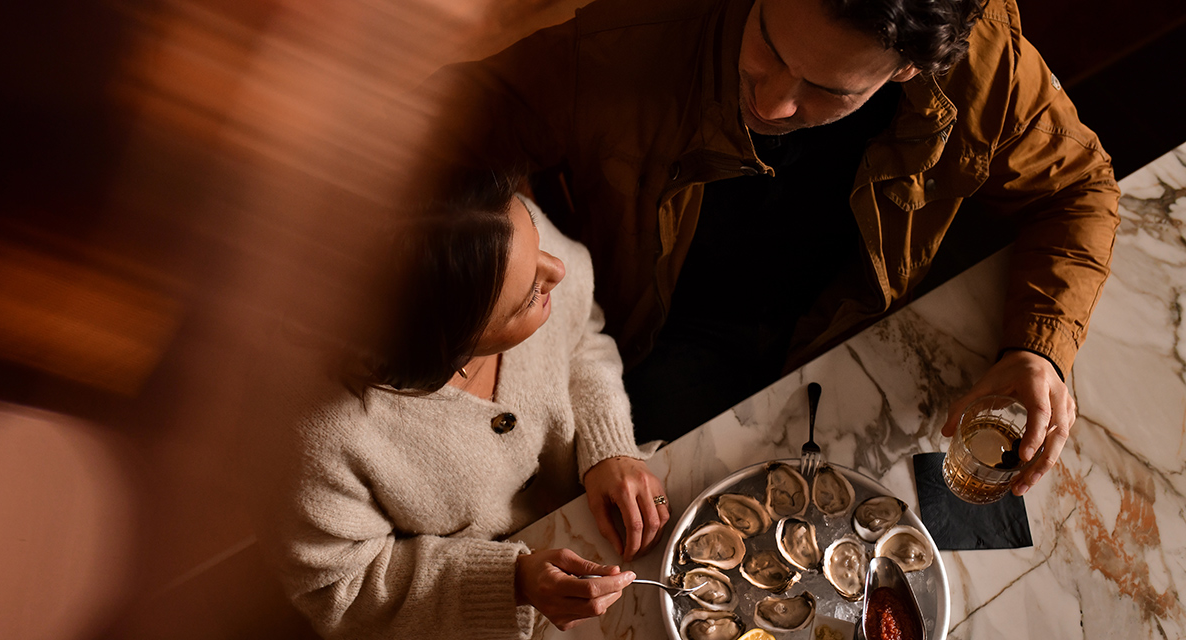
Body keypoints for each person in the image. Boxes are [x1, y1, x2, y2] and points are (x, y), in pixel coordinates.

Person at [423, 0, 1120, 497]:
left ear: (909, 70)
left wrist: (1037, 347)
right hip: (663, 341)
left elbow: (1080, 188)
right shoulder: (629, 36)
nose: (775, 104)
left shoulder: (984, 60)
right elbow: (434, 135)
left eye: (825, 88)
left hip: (856, 334)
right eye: (768, 49)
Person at [251, 169, 669, 639]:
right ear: (452, 351)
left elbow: (582, 336)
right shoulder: (312, 439)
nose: (559, 269)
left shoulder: (492, 228)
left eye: (532, 227)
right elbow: (340, 587)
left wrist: (609, 448)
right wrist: (510, 583)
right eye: (531, 296)